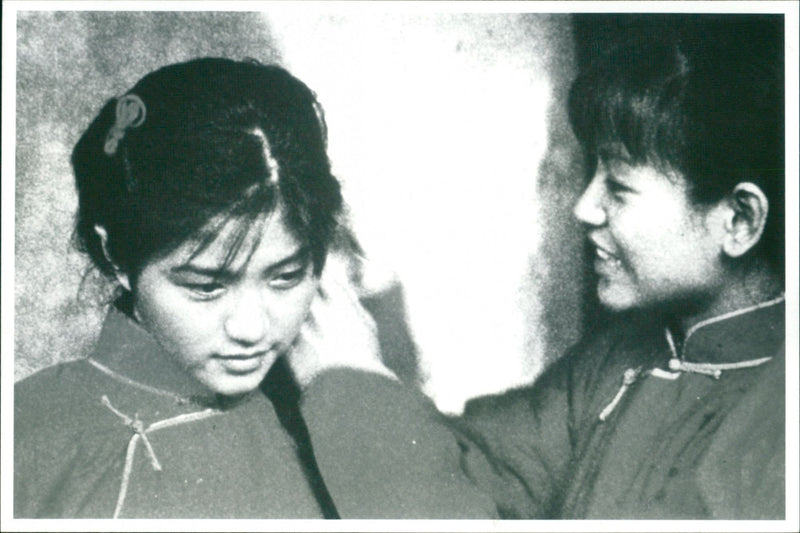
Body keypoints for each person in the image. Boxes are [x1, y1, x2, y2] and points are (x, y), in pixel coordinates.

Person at [14, 57, 495, 519]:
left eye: (285, 277)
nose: (252, 328)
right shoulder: (24, 437)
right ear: (117, 255)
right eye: (206, 287)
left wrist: (356, 390)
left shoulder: (348, 401)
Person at [455, 20, 786, 519]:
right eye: (594, 175)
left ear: (739, 220)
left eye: (619, 186)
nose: (584, 208)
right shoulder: (613, 358)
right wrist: (352, 374)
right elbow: (475, 468)